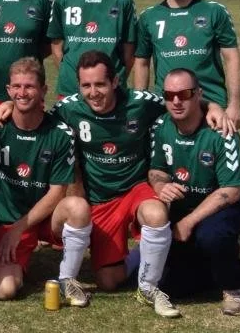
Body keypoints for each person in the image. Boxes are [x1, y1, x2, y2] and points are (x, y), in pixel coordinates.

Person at [47, 51, 179, 317]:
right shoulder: (68, 108)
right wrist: (8, 107)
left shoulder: (141, 103)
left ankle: (149, 288)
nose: (93, 92)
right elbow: (39, 122)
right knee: (108, 280)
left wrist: (211, 107)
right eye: (86, 85)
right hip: (100, 200)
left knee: (155, 213)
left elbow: (179, 102)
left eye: (100, 84)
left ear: (116, 81)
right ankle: (145, 252)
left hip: (135, 189)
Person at [0, 58, 92, 306]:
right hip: (7, 221)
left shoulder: (60, 133)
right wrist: (9, 230)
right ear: (8, 90)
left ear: (43, 90)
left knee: (77, 207)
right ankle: (13, 256)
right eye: (16, 87)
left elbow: (57, 193)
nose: (22, 93)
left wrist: (19, 229)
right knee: (5, 290)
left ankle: (67, 279)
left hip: (44, 218)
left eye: (30, 86)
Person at [148, 68, 240, 316]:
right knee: (173, 285)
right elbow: (156, 170)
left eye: (184, 94)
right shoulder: (161, 126)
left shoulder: (221, 131)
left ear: (198, 94)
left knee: (212, 236)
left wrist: (188, 222)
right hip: (184, 207)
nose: (176, 101)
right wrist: (161, 186)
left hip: (222, 207)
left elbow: (232, 190)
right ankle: (217, 264)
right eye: (169, 95)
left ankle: (236, 285)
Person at [134, 0, 240, 133]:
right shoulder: (149, 17)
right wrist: (141, 105)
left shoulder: (214, 12)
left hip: (213, 108)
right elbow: (142, 63)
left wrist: (235, 105)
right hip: (169, 107)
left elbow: (232, 59)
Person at [47, 0, 137, 99]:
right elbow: (57, 46)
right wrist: (72, 75)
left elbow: (129, 52)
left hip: (111, 91)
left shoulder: (123, 0)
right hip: (70, 89)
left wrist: (114, 78)